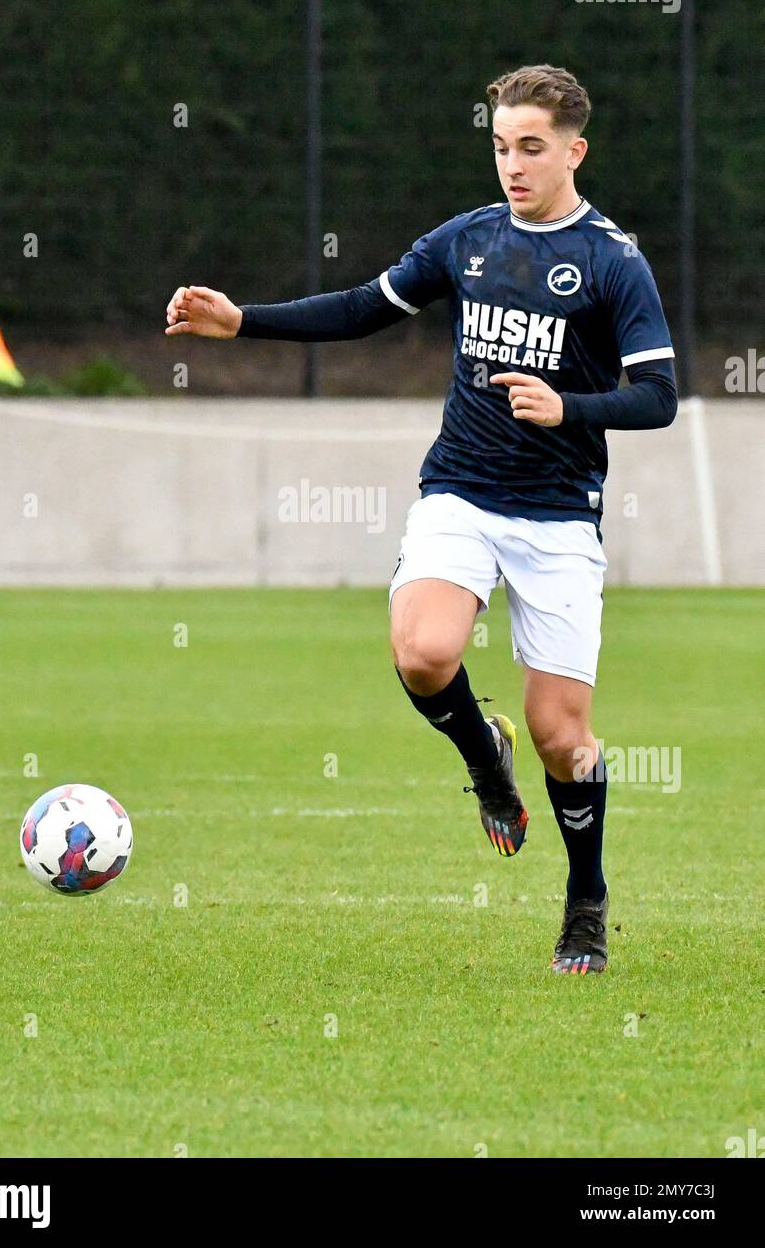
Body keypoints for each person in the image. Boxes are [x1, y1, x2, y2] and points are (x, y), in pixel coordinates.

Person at [165, 64, 678, 975]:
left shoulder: (612, 259)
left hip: (559, 516)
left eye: (530, 148)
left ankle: (586, 900)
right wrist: (244, 321)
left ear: (573, 151)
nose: (512, 166)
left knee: (564, 738)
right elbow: (364, 308)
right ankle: (485, 761)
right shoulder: (468, 239)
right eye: (499, 147)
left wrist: (570, 409)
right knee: (422, 653)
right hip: (462, 493)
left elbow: (660, 396)